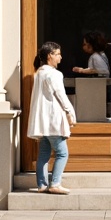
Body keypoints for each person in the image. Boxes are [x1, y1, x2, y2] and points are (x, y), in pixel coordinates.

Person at [28, 40, 76, 194]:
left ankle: (42, 185)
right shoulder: (54, 74)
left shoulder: (39, 73)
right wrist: (70, 112)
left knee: (43, 153)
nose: (60, 58)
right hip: (53, 119)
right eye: (58, 54)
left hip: (42, 122)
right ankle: (55, 183)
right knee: (62, 153)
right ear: (50, 56)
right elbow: (60, 95)